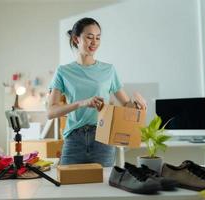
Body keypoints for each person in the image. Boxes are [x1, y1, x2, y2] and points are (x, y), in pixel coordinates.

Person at [47, 17, 147, 167]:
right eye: (89, 37)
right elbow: (51, 112)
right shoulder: (63, 72)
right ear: (76, 39)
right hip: (74, 138)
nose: (94, 42)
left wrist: (138, 106)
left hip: (103, 137)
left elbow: (126, 104)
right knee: (68, 186)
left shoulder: (109, 70)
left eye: (98, 38)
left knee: (104, 186)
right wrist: (82, 103)